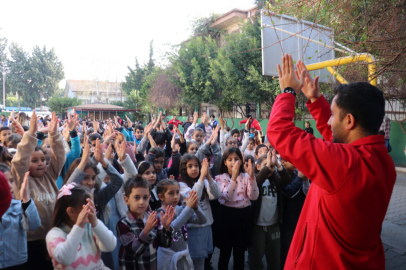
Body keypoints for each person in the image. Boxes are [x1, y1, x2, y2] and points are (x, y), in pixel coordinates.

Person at [267, 54, 396, 269]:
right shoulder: (381, 161)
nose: (329, 120)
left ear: (349, 120)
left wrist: (288, 92)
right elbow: (340, 140)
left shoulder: (344, 164)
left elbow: (278, 131)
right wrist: (317, 101)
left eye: (333, 115)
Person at [12, 111, 66, 270]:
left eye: (42, 159)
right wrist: (31, 133)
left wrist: (55, 134)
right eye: (34, 161)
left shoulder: (50, 175)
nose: (40, 163)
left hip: (53, 236)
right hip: (30, 240)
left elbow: (59, 157)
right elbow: (20, 159)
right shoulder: (22, 179)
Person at [46, 184, 116, 270]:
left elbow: (110, 246)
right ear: (71, 211)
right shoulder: (55, 234)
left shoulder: (90, 227)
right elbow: (65, 259)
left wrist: (96, 223)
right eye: (87, 208)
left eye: (93, 207)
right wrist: (78, 226)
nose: (93, 211)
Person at [214, 147, 259, 270]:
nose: (233, 162)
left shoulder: (245, 176)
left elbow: (253, 196)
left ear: (241, 160)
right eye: (230, 159)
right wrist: (233, 178)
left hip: (243, 217)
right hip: (226, 217)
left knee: (240, 253)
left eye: (236, 159)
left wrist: (251, 178)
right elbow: (227, 196)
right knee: (225, 252)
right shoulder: (220, 178)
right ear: (224, 162)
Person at [116, 177, 175, 270]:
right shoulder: (123, 223)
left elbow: (165, 244)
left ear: (149, 198)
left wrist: (166, 228)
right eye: (137, 197)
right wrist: (146, 230)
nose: (141, 202)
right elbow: (134, 251)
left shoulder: (153, 218)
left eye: (145, 197)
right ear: (126, 200)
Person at [248, 150, 291, 270]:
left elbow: (287, 180)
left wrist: (277, 165)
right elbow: (258, 181)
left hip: (273, 225)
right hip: (258, 226)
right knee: (256, 260)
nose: (269, 169)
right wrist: (267, 167)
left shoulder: (276, 180)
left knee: (274, 260)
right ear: (258, 167)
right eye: (266, 166)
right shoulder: (255, 180)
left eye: (271, 166)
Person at [179, 155, 221, 270]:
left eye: (197, 166)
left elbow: (216, 194)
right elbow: (194, 198)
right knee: (191, 261)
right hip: (193, 228)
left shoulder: (203, 180)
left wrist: (208, 176)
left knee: (201, 262)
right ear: (184, 169)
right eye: (190, 166)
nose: (194, 169)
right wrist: (202, 177)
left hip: (206, 227)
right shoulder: (181, 185)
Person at [156, 180, 207, 270]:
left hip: (183, 254)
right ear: (161, 197)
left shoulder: (181, 209)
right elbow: (172, 228)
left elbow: (202, 220)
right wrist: (188, 209)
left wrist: (195, 207)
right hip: (168, 257)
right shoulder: (160, 214)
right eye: (171, 193)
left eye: (177, 192)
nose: (176, 197)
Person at [1, 169, 41, 270]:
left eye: (11, 181)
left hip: (17, 263)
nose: (9, 186)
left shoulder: (19, 205)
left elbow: (34, 225)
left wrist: (26, 198)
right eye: (4, 182)